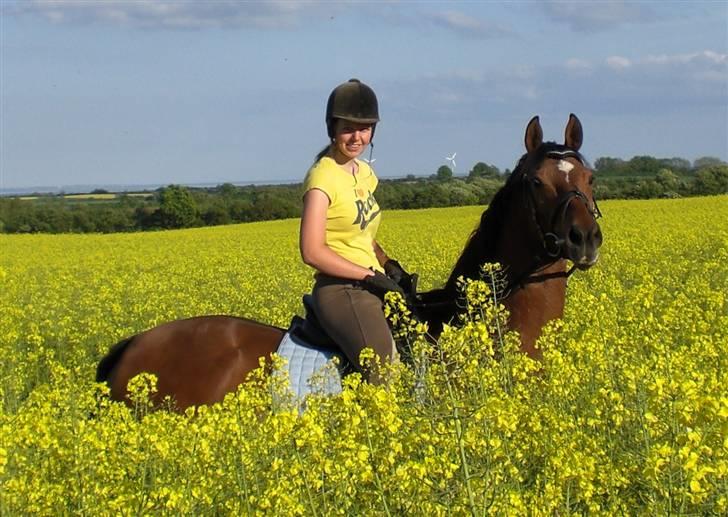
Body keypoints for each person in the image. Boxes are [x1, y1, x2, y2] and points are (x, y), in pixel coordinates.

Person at [299, 78, 413, 383]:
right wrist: (367, 275)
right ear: (332, 128)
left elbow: (362, 233)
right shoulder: (322, 178)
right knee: (386, 376)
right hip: (341, 290)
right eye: (348, 128)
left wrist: (388, 265)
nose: (357, 137)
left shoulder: (364, 173)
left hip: (374, 282)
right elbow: (311, 251)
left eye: (364, 128)